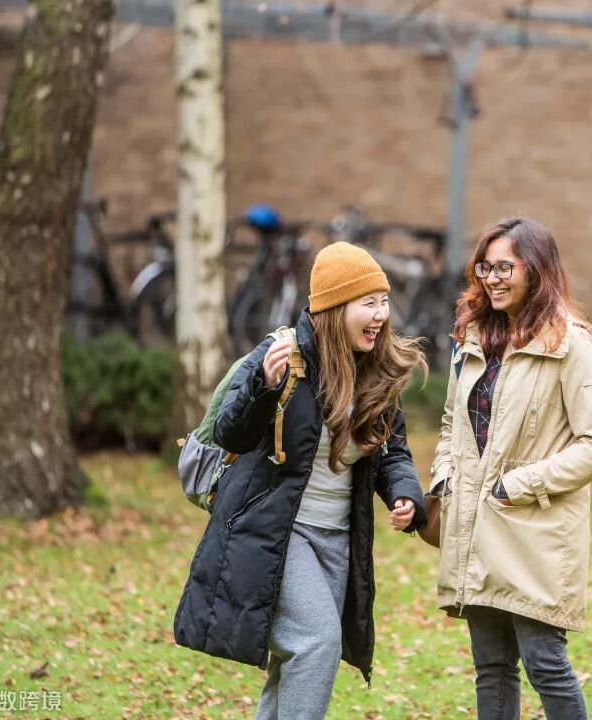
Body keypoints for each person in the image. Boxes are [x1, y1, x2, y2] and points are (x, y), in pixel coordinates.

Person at [173, 241, 428, 720]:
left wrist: (406, 495)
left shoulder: (375, 369)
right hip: (278, 531)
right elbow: (231, 433)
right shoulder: (282, 356)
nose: (381, 314)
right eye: (368, 302)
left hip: (337, 539)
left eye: (384, 301)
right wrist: (262, 387)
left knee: (292, 664)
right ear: (334, 308)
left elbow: (393, 451)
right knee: (316, 642)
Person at [429, 217, 592, 719]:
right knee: (492, 668)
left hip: (536, 531)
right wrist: (445, 480)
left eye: (504, 268)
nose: (491, 279)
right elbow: (452, 424)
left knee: (545, 664)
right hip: (475, 525)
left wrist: (519, 484)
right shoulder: (472, 338)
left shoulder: (571, 344)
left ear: (535, 270)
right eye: (484, 267)